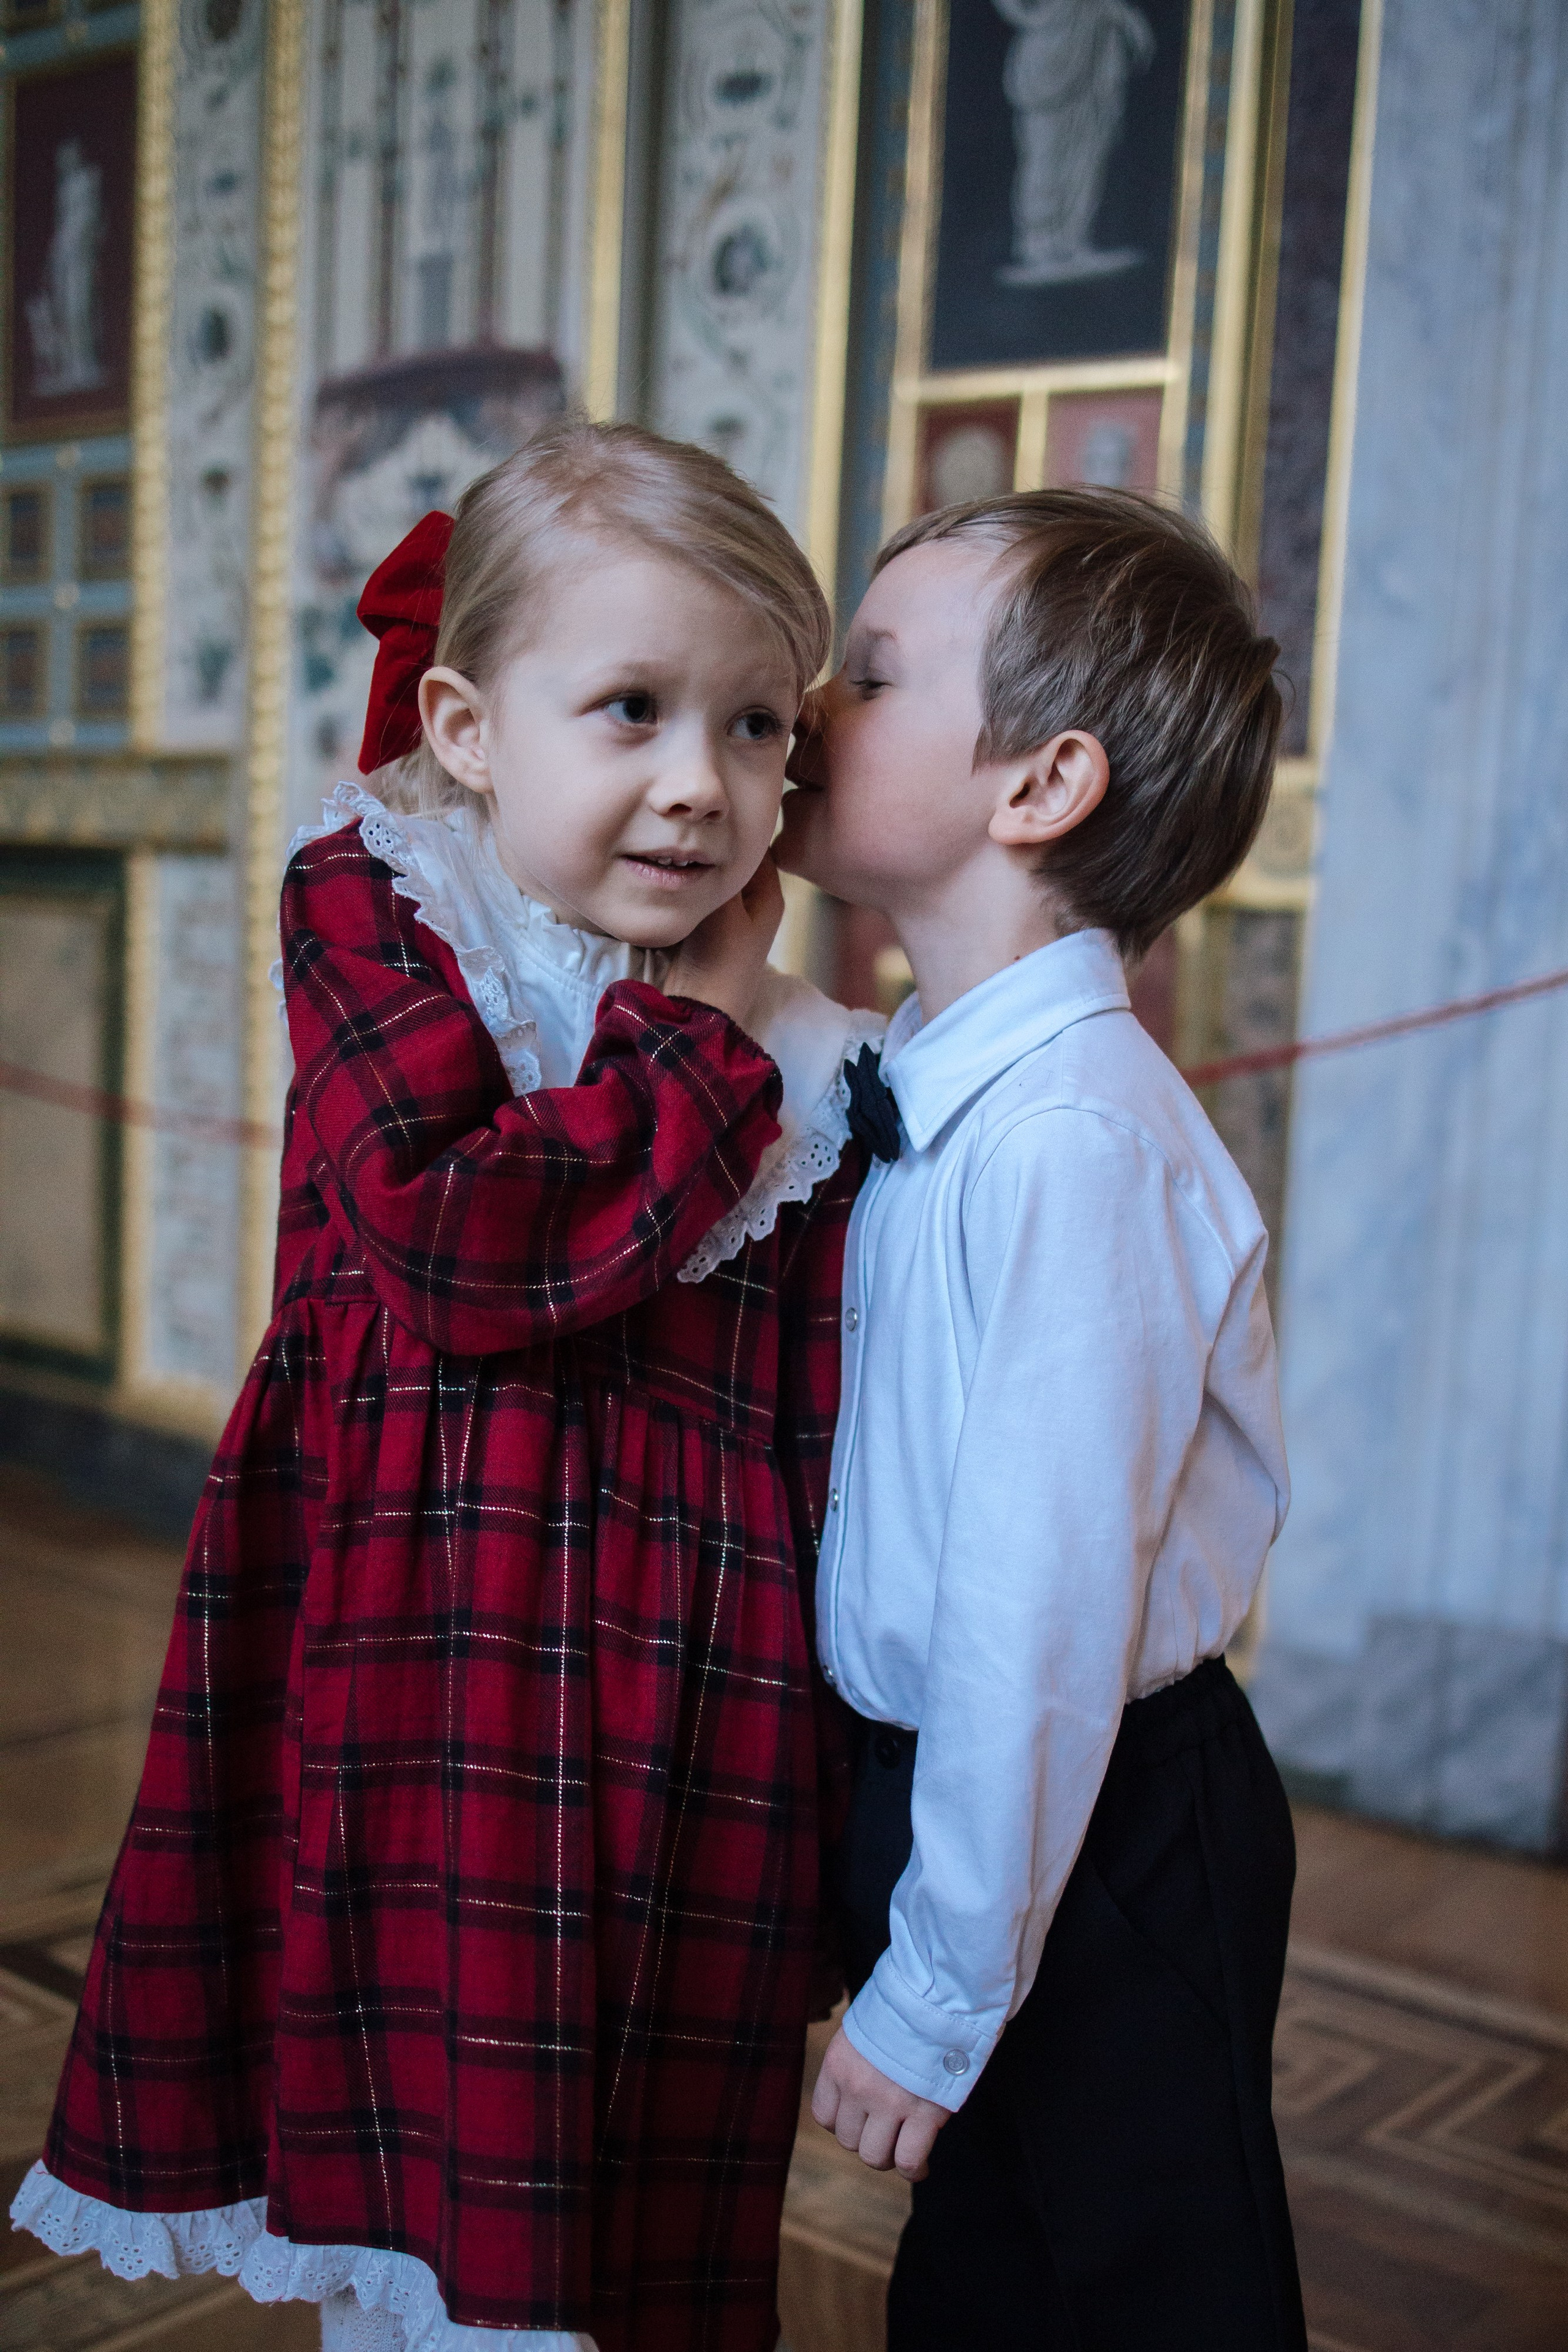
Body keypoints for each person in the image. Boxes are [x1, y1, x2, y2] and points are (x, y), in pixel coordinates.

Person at [12, 421, 882, 2352]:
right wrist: (694, 1048)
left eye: (756, 728)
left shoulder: (817, 1056)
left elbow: (819, 1427)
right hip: (423, 1660)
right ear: (474, 729)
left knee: (643, 2213)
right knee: (427, 2184)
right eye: (633, 710)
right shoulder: (382, 909)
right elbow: (464, 1246)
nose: (698, 787)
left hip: (695, 1700)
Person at [778, 486, 1309, 2350]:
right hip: (968, 1800)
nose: (814, 700)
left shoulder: (1075, 1136)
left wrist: (932, 1995)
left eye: (873, 672)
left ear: (1041, 785)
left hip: (1104, 1823)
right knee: (993, 2290)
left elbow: (1037, 1610)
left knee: (1154, 2292)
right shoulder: (931, 1072)